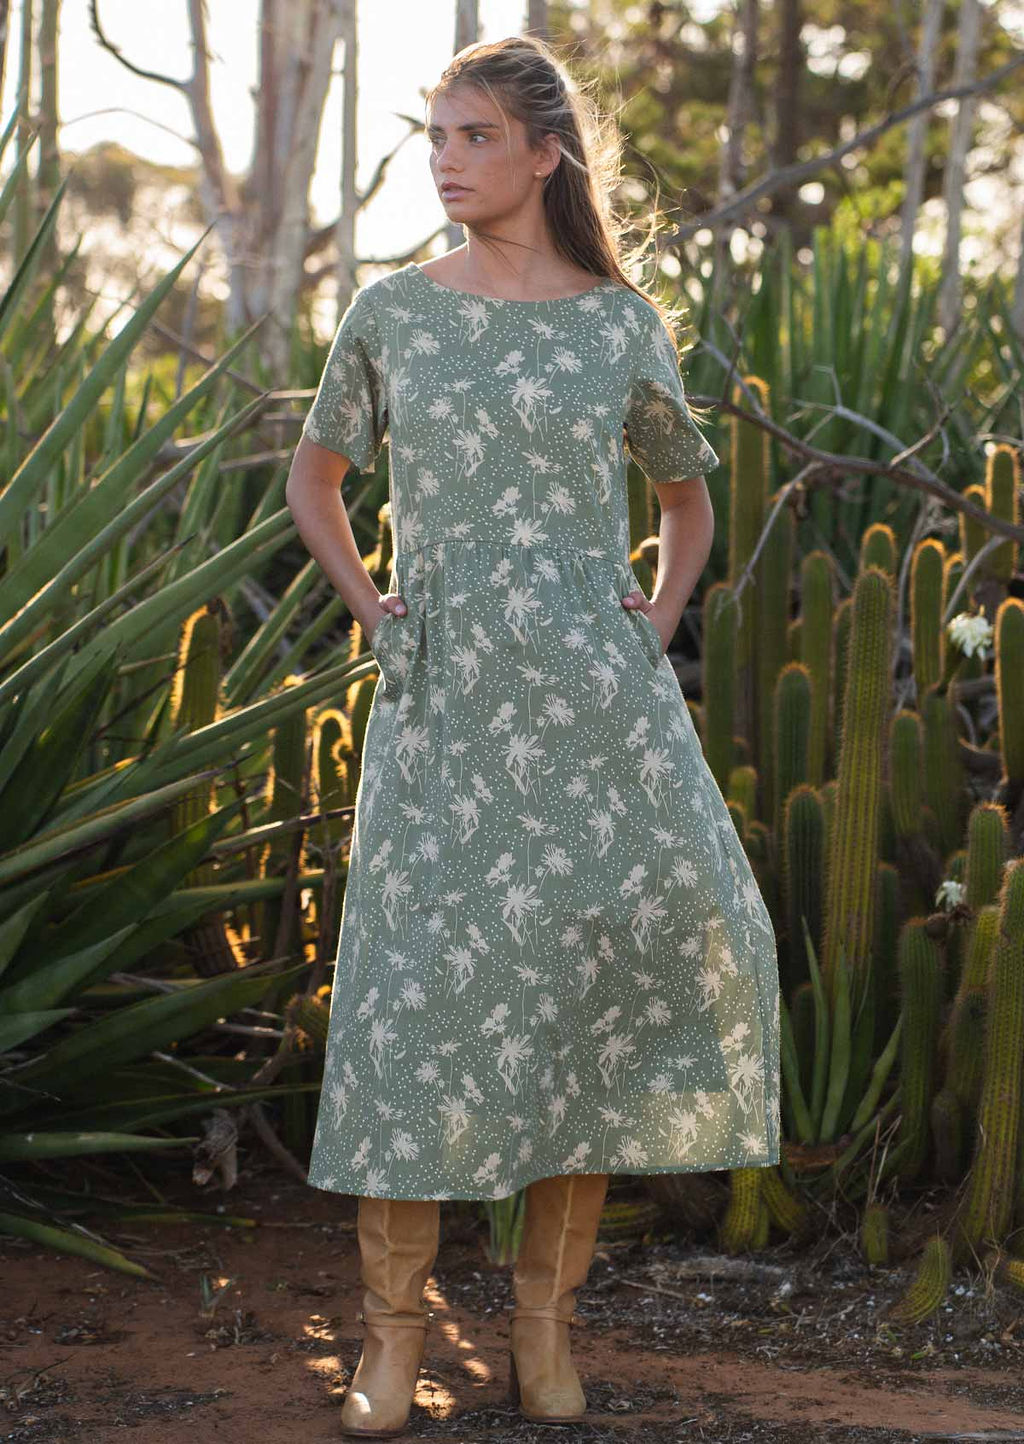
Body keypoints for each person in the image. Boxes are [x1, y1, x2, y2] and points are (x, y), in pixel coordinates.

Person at [285, 32, 781, 1439]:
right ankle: (390, 1339)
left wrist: (652, 617)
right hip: (446, 691)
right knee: (416, 994)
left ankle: (545, 1332)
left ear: (545, 154)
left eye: (472, 136)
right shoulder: (393, 310)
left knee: (585, 982)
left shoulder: (617, 324)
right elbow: (315, 481)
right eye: (434, 135)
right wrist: (381, 613)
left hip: (593, 699)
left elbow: (686, 496)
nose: (444, 157)